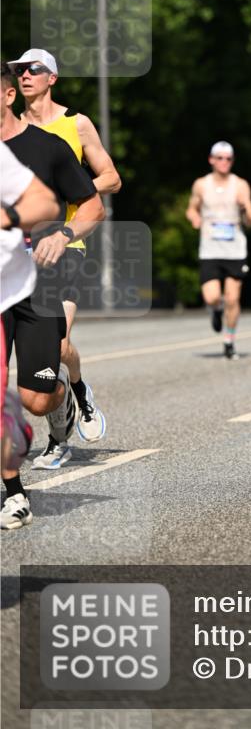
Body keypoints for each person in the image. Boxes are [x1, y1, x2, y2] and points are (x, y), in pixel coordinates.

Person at [9, 48, 120, 442]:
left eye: (33, 69)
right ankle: (67, 397)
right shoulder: (12, 128)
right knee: (47, 348)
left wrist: (67, 188)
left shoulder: (76, 124)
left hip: (68, 241)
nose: (24, 75)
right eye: (19, 70)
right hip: (19, 252)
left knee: (58, 344)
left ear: (51, 78)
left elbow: (111, 177)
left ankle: (74, 395)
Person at [1, 143, 59, 528]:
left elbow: (47, 204)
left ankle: (13, 488)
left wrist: (9, 214)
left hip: (13, 285)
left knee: (35, 401)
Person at [186, 141, 251, 359]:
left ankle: (229, 340)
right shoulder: (201, 184)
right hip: (210, 249)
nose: (224, 162)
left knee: (233, 299)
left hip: (235, 250)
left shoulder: (241, 185)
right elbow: (191, 208)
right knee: (212, 297)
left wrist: (245, 207)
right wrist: (194, 218)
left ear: (232, 161)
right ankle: (216, 311)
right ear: (211, 160)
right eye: (220, 158)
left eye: (228, 158)